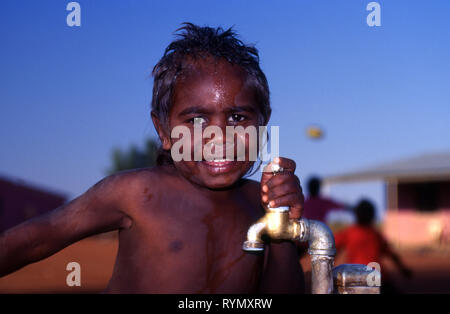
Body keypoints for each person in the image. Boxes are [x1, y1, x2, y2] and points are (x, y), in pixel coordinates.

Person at [0, 23, 306, 293]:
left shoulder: (259, 202)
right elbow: (38, 238)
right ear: (164, 131)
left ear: (262, 128)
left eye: (238, 117)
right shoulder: (136, 194)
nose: (219, 136)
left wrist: (280, 224)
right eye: (196, 121)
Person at [334, 199, 413, 294]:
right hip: (378, 278)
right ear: (372, 216)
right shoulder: (375, 235)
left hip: (355, 278)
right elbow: (391, 255)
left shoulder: (349, 233)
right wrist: (403, 269)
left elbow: (334, 250)